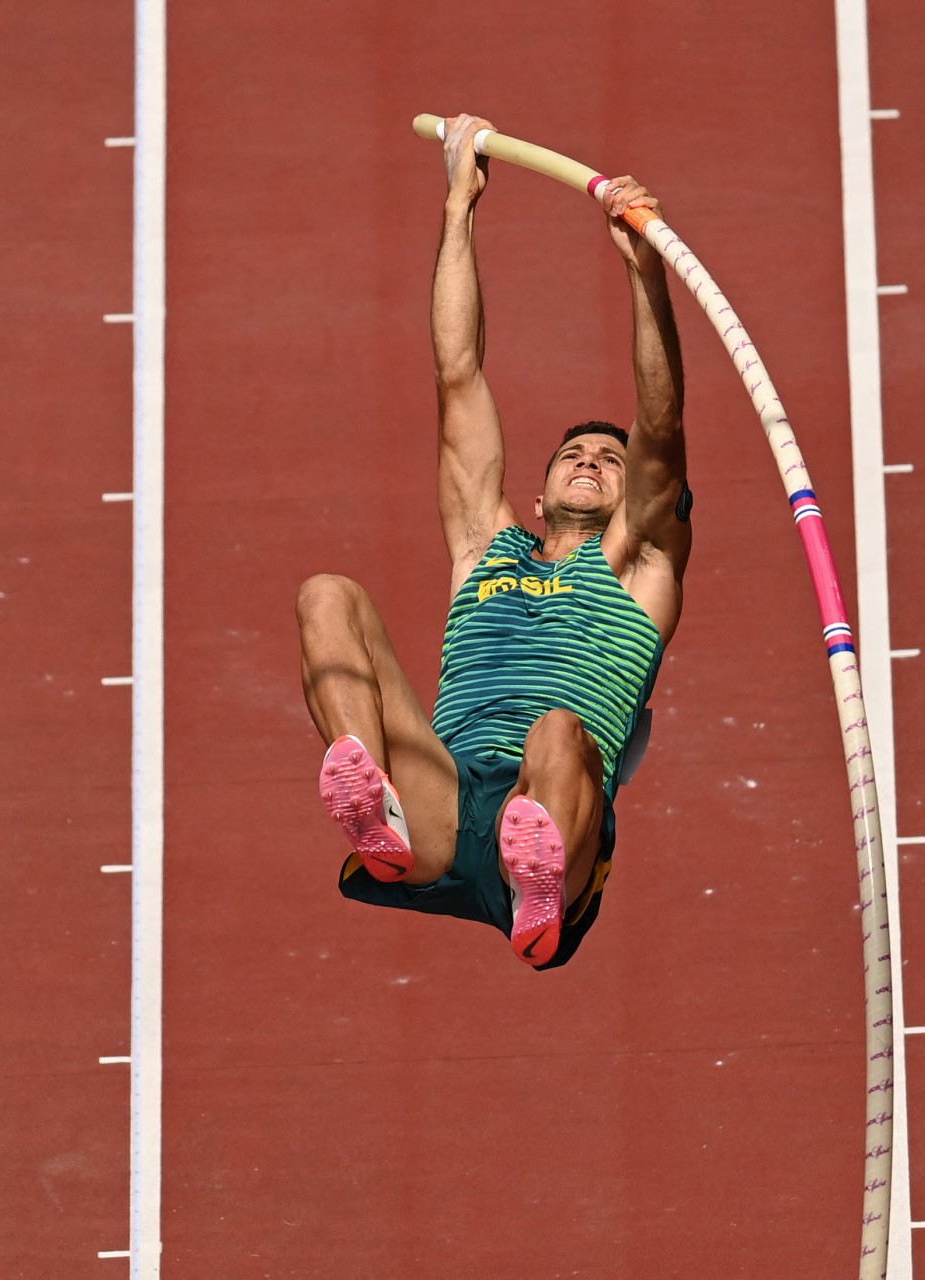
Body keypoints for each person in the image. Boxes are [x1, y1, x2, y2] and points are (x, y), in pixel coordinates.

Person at [295, 114, 691, 970]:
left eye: (609, 460)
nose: (590, 461)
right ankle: (375, 809)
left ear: (638, 495)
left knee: (557, 727)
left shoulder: (642, 566)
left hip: (556, 808)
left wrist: (643, 275)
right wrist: (458, 207)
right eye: (574, 455)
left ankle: (536, 882)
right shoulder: (487, 546)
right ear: (539, 493)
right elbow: (457, 372)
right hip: (445, 800)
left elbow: (659, 422)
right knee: (328, 595)